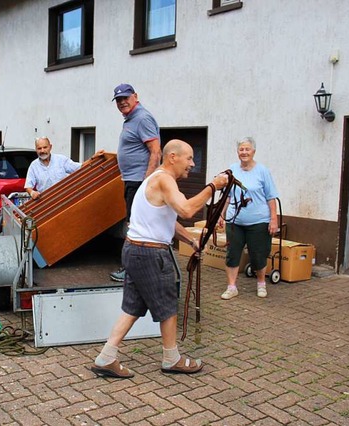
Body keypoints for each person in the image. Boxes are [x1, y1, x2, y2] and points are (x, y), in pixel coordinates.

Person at [90, 139, 229, 378]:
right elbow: (186, 210)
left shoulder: (155, 178)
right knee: (167, 305)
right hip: (150, 253)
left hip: (134, 250)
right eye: (189, 158)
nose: (192, 164)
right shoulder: (164, 179)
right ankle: (171, 359)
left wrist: (190, 240)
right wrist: (213, 187)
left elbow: (167, 219)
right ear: (172, 157)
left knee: (132, 307)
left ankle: (106, 357)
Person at [110, 83, 162, 282]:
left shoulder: (142, 118)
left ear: (135, 96)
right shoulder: (131, 119)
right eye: (119, 100)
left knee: (135, 226)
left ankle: (131, 270)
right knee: (134, 224)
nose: (122, 102)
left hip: (138, 182)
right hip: (132, 180)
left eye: (126, 98)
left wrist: (145, 184)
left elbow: (155, 152)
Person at [218, 137, 279, 300]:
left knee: (258, 254)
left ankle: (261, 284)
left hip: (258, 221)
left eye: (247, 149)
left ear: (254, 152)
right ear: (238, 152)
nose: (244, 152)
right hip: (235, 221)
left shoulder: (262, 171)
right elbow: (228, 196)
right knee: (232, 253)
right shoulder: (232, 169)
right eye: (241, 149)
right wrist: (221, 214)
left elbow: (271, 197)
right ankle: (231, 287)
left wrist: (274, 219)